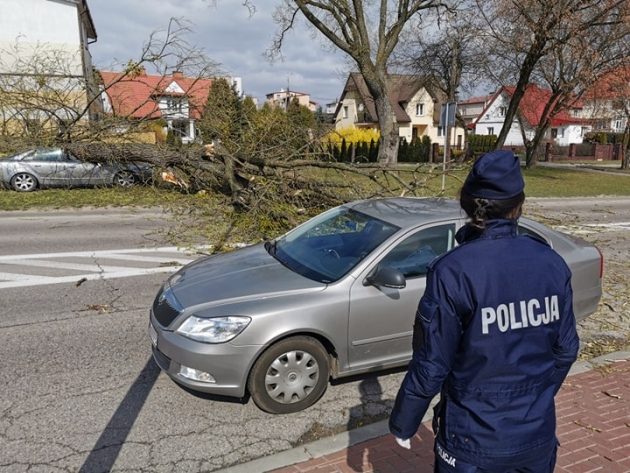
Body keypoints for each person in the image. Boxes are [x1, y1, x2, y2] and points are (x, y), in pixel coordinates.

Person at [389, 150, 579, 472]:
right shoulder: (552, 264)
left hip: (470, 442)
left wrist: (404, 423)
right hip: (535, 436)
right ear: (519, 205)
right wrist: (534, 398)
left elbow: (433, 363)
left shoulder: (453, 271)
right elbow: (566, 349)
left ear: (467, 205)